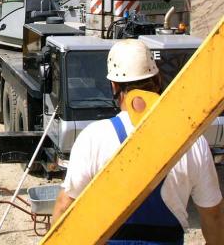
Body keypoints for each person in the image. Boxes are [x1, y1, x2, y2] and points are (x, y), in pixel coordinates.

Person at [52, 39, 223, 244]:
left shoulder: (93, 138)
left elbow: (65, 207)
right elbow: (213, 215)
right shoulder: (193, 142)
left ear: (113, 86)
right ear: (158, 80)